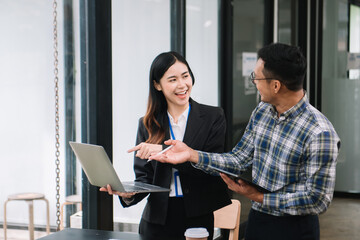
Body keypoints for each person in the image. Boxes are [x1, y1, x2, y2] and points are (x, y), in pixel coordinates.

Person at [150, 43, 341, 240]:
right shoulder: (262, 111)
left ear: (275, 86)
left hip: (295, 229)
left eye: (256, 78)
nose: (254, 83)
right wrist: (192, 154)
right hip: (258, 221)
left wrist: (259, 197)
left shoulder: (320, 133)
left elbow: (317, 199)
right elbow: (239, 159)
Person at [100, 51, 231, 240]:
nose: (182, 85)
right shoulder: (148, 124)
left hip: (196, 217)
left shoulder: (213, 117)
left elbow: (213, 167)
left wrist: (164, 151)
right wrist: (127, 193)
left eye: (185, 76)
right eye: (172, 79)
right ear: (157, 85)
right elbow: (145, 178)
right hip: (156, 220)